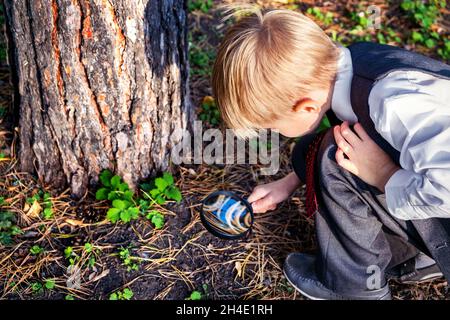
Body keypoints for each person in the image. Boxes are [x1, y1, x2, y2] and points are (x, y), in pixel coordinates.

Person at [211, 7, 450, 300]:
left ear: (306, 107)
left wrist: (384, 175)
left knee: (333, 158)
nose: (273, 133)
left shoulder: (395, 105)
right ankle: (419, 256)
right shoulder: (356, 69)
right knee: (314, 151)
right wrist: (289, 182)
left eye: (272, 126)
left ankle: (357, 289)